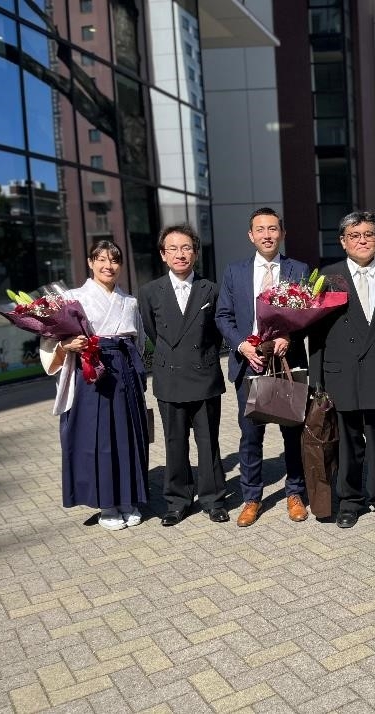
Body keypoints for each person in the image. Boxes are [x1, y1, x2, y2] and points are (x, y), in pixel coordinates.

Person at [309, 211, 375, 528]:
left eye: (368, 234)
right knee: (347, 442)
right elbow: (316, 331)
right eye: (354, 236)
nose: (362, 241)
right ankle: (350, 500)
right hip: (342, 372)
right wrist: (317, 377)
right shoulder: (328, 277)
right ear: (343, 242)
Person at [40, 240, 149, 531]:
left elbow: (138, 340)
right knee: (97, 438)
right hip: (91, 371)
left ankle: (128, 499)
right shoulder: (73, 298)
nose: (107, 266)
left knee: (126, 435)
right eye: (101, 259)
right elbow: (51, 341)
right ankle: (107, 505)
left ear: (120, 265)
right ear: (90, 263)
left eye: (114, 260)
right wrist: (67, 345)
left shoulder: (129, 301)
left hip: (124, 370)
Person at [214, 207, 310, 527]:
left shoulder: (298, 269)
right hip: (250, 362)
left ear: (282, 233)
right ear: (250, 235)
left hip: (285, 361)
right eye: (260, 229)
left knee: (292, 433)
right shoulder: (235, 272)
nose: (267, 235)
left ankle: (295, 493)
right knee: (250, 437)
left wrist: (289, 335)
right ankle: (252, 498)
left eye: (272, 229)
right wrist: (241, 345)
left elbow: (309, 314)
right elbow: (223, 316)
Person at [139, 223, 228, 526]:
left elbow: (216, 334)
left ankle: (214, 499)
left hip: (204, 374)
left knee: (208, 442)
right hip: (170, 376)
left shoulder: (211, 289)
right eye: (173, 249)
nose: (180, 254)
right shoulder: (149, 292)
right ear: (163, 254)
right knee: (174, 442)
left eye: (186, 247)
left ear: (196, 253)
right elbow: (153, 331)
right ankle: (177, 501)